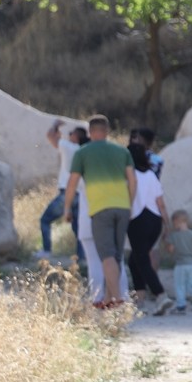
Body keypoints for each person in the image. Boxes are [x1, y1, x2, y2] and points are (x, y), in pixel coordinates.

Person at [64, 114, 135, 308]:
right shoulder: (122, 152)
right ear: (107, 131)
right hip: (122, 207)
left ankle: (118, 297)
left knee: (106, 256)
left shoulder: (82, 153)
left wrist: (67, 208)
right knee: (117, 256)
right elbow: (132, 180)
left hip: (100, 209)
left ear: (90, 132)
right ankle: (108, 299)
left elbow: (72, 184)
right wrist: (129, 203)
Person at [126, 143, 173, 315]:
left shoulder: (129, 175)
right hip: (155, 220)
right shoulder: (152, 175)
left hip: (138, 220)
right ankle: (140, 300)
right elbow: (161, 203)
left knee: (142, 260)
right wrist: (166, 226)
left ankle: (161, 295)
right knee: (134, 260)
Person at [37, 119, 82, 260]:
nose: (69, 135)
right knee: (78, 229)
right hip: (80, 194)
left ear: (76, 137)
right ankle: (81, 258)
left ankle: (46, 251)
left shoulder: (68, 147)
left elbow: (50, 135)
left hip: (66, 192)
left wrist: (55, 125)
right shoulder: (83, 150)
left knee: (45, 220)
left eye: (72, 133)